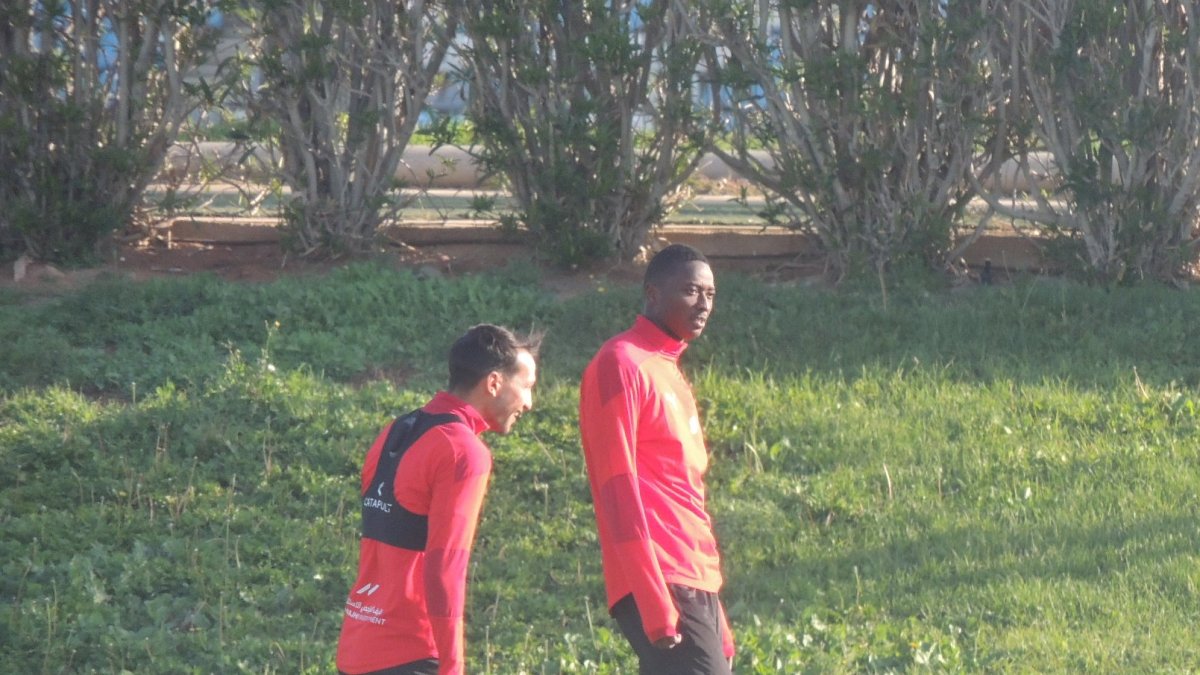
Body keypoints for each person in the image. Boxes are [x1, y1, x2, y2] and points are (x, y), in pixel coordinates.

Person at [337, 324, 541, 675]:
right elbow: (446, 567)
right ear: (493, 383)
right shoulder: (463, 452)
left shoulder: (395, 430)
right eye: (526, 386)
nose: (529, 402)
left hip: (356, 649)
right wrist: (452, 666)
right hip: (410, 654)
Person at [579, 244, 735, 674]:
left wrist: (715, 609)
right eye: (690, 291)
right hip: (662, 576)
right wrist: (652, 599)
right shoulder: (621, 363)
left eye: (711, 294)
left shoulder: (669, 369)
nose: (703, 304)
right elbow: (617, 486)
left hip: (694, 576)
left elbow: (686, 496)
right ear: (652, 294)